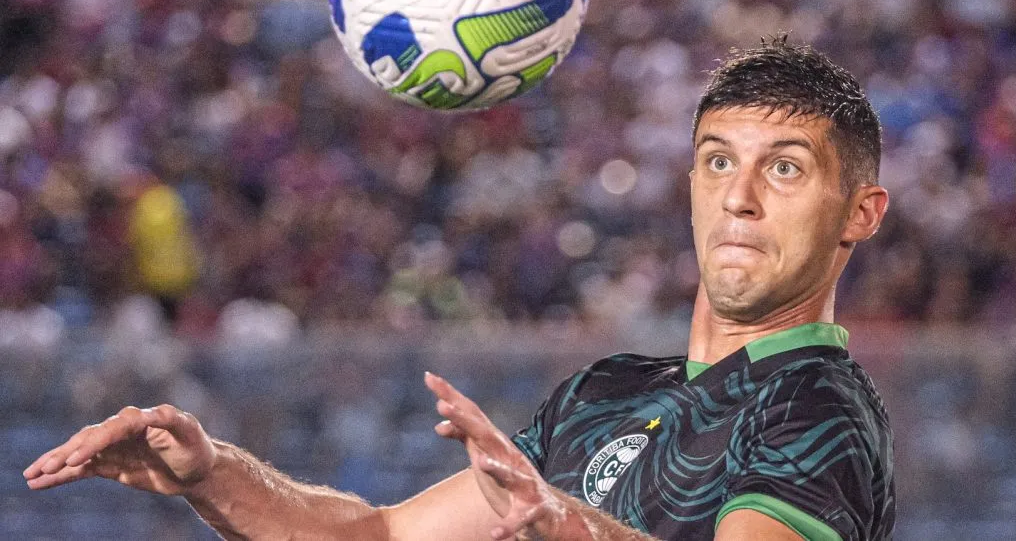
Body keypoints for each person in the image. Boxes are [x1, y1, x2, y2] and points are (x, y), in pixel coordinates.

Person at [24, 38, 895, 541]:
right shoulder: (607, 390)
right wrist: (210, 473)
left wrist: (567, 526)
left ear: (860, 212)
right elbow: (381, 538)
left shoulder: (818, 406)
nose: (739, 195)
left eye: (785, 168)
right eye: (717, 160)